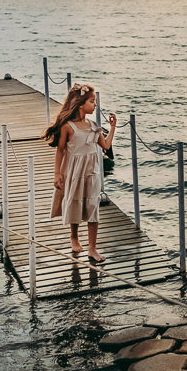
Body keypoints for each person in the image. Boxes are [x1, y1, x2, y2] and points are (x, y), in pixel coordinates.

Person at [42, 83, 117, 263]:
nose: (95, 105)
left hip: (92, 172)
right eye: (92, 101)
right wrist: (57, 174)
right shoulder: (68, 127)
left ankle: (92, 248)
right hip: (74, 171)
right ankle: (74, 238)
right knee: (75, 203)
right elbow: (60, 151)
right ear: (81, 103)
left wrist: (113, 127)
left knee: (93, 207)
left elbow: (105, 146)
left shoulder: (93, 125)